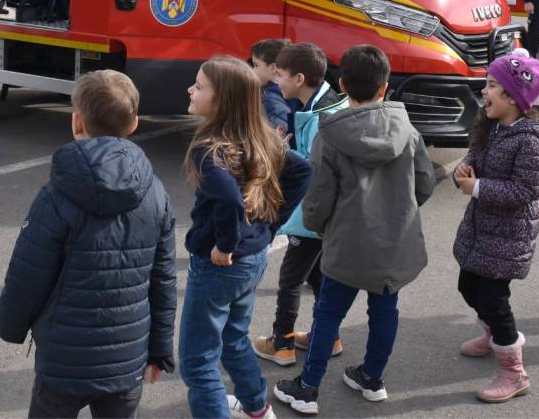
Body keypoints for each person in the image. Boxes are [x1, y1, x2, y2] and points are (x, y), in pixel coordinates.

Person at [0, 70, 176, 419]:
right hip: (127, 361)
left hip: (63, 360)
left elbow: (27, 275)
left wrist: (11, 327)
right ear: (135, 123)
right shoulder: (156, 193)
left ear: (76, 122)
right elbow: (163, 281)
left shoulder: (55, 195)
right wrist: (159, 350)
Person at [274, 45, 435, 415]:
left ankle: (308, 386)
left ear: (342, 85)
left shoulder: (330, 135)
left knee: (329, 311)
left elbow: (318, 197)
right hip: (394, 241)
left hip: (347, 240)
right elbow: (424, 184)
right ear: (385, 86)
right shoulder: (407, 129)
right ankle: (372, 376)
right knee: (385, 309)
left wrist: (317, 226)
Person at [179, 56, 313, 419]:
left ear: (221, 100)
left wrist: (226, 242)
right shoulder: (260, 137)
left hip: (219, 265)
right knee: (234, 339)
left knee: (196, 362)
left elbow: (226, 197)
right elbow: (302, 170)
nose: (191, 90)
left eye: (199, 86)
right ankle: (256, 407)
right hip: (252, 259)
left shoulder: (209, 148)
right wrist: (271, 225)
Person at [452, 48, 539, 403]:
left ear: (514, 97)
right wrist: (465, 170)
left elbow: (526, 189)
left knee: (494, 299)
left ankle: (513, 372)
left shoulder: (532, 140)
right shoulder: (494, 126)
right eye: (487, 84)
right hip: (483, 228)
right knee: (468, 284)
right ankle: (494, 335)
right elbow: (476, 155)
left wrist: (478, 187)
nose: (485, 92)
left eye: (493, 85)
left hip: (509, 235)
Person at [253, 43, 349, 367]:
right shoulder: (322, 104)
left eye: (279, 76)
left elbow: (316, 170)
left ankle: (281, 343)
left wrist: (281, 152)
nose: (275, 82)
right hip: (326, 212)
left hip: (314, 212)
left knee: (291, 277)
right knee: (317, 274)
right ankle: (329, 335)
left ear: (298, 78)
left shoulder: (324, 117)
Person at [250, 38, 299, 141]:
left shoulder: (270, 97)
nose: (252, 70)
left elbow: (278, 134)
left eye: (256, 65)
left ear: (272, 68)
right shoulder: (295, 86)